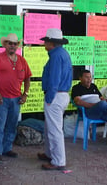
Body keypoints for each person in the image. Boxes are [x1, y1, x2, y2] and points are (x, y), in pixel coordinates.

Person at [0, 33, 32, 164]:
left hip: (16, 99)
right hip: (1, 99)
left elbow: (28, 77)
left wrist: (25, 94)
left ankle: (7, 149)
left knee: (12, 126)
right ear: (5, 45)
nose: (12, 46)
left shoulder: (22, 60)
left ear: (17, 46)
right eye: (10, 43)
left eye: (15, 44)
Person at [37, 28, 72, 170]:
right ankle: (50, 153)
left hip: (56, 95)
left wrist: (50, 97)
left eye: (46, 41)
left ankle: (58, 161)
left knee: (54, 130)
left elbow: (54, 79)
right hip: (60, 94)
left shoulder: (56, 56)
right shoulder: (61, 53)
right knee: (50, 127)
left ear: (51, 43)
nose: (44, 44)